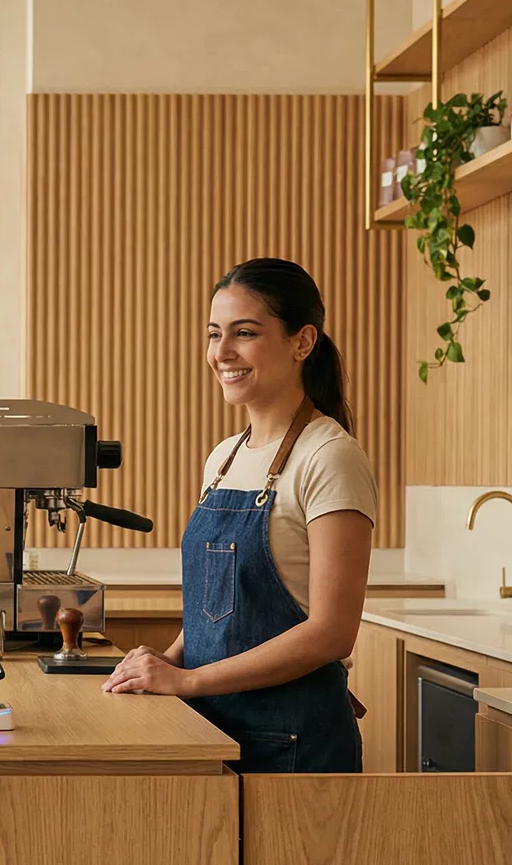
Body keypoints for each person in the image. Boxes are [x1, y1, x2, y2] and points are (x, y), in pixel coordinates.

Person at [103, 258, 375, 773]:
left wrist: (187, 682)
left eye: (244, 333)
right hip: (214, 730)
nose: (222, 353)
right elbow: (215, 609)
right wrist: (170, 659)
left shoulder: (329, 457)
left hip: (294, 743)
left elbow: (332, 633)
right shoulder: (224, 456)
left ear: (303, 342)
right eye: (214, 334)